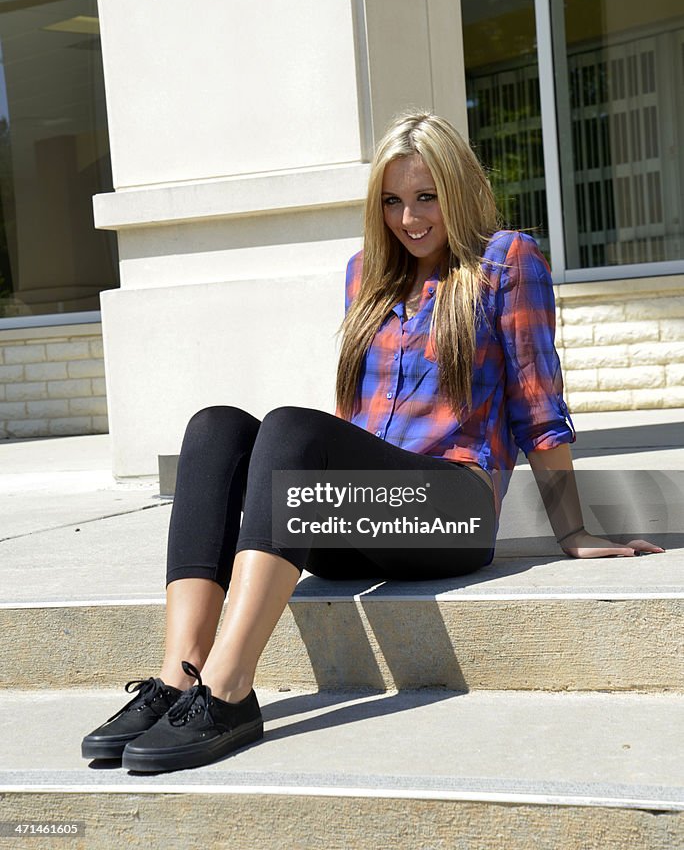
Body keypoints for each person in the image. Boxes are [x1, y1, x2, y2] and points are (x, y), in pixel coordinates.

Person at [81, 110, 665, 773]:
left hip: (451, 510)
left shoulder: (506, 260)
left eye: (426, 198)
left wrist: (573, 531)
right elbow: (348, 420)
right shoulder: (368, 272)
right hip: (362, 514)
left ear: (459, 189)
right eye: (392, 201)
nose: (409, 218)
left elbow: (538, 401)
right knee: (213, 427)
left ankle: (229, 691)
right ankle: (178, 680)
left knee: (291, 427)